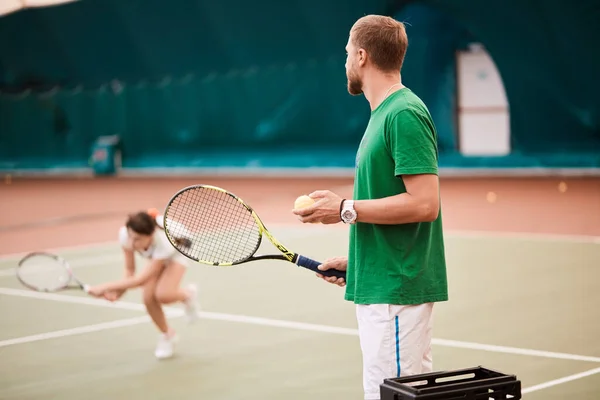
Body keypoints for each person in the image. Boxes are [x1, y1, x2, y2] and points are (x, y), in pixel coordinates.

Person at [292, 15, 449, 400]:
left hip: (396, 293)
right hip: (384, 283)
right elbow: (391, 203)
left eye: (346, 52)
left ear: (361, 56)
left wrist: (344, 208)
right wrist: (359, 262)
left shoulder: (402, 113)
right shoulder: (384, 114)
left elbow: (425, 204)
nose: (344, 60)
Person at [87, 209, 199, 360]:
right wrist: (120, 292)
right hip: (157, 253)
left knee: (163, 295)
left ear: (150, 236)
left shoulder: (163, 241)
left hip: (179, 250)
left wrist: (104, 287)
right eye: (130, 237)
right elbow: (130, 270)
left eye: (137, 239)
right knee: (148, 298)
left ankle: (188, 295)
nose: (132, 244)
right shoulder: (126, 236)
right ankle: (168, 335)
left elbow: (140, 280)